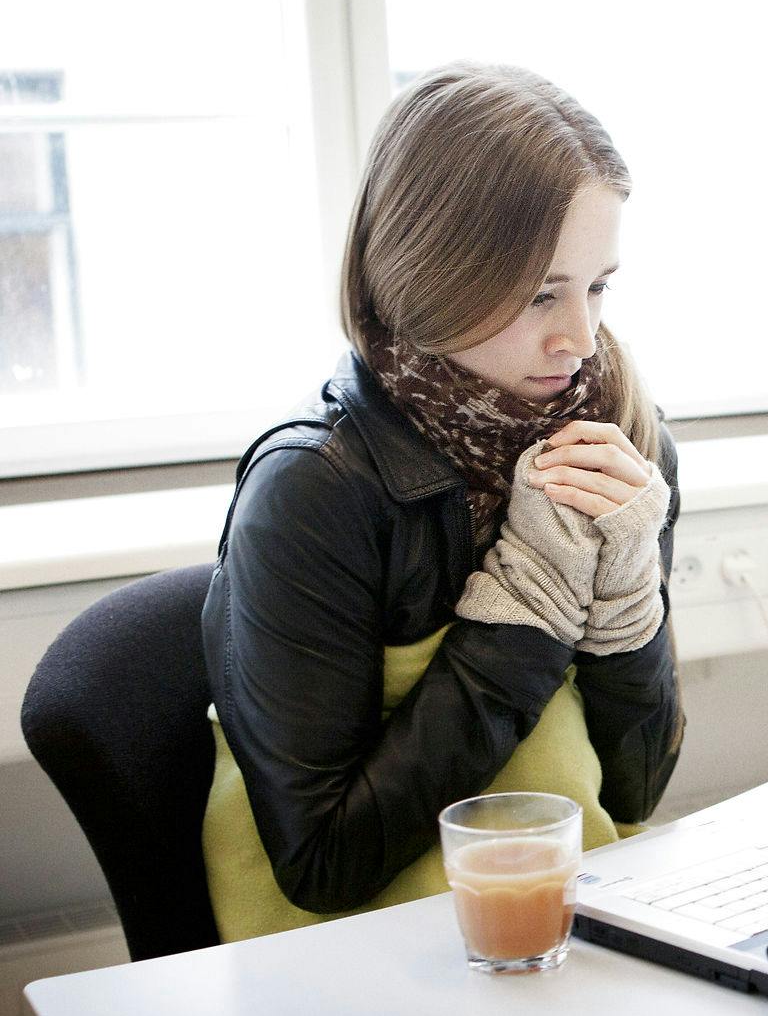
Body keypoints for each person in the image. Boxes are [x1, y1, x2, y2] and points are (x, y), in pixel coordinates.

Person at [199, 62, 684, 941]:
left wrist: (625, 598)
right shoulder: (313, 494)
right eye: (542, 292)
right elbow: (324, 864)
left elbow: (637, 790)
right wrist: (529, 606)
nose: (580, 337)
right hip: (361, 960)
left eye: (598, 284)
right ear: (430, 273)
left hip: (570, 939)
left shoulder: (624, 441)